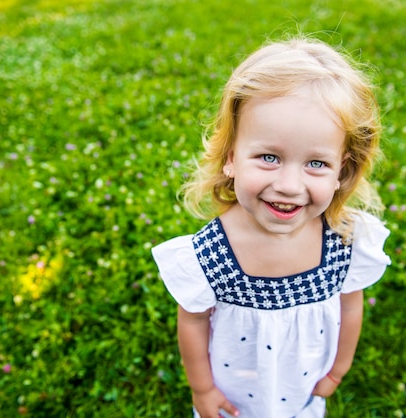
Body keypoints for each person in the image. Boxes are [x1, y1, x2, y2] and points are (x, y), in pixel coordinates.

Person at [151, 36, 391, 418]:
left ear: (341, 171)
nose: (290, 186)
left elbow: (351, 304)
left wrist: (338, 370)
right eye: (268, 157)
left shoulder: (345, 240)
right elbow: (193, 322)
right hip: (231, 399)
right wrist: (203, 389)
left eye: (316, 163)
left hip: (302, 393)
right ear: (231, 158)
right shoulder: (210, 253)